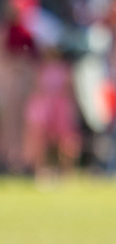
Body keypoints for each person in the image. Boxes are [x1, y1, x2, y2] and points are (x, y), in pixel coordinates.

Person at [0, 0, 40, 176]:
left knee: (26, 126)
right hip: (5, 85)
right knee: (5, 126)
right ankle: (3, 161)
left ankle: (23, 161)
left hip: (26, 85)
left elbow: (36, 59)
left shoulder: (32, 28)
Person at [22, 44, 81, 182]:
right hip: (45, 109)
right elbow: (35, 90)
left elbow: (70, 91)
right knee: (40, 141)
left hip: (61, 109)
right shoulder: (40, 69)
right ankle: (40, 171)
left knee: (66, 143)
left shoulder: (65, 69)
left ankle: (66, 172)